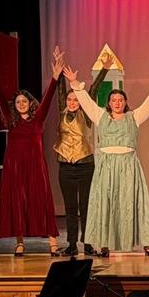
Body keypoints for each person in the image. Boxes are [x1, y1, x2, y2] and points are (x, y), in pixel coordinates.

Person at [64, 65, 149, 257]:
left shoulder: (134, 117)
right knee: (106, 203)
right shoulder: (100, 116)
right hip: (107, 166)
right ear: (109, 103)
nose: (117, 103)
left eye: (120, 100)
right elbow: (86, 102)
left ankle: (146, 243)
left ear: (125, 102)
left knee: (134, 203)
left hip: (128, 166)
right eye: (113, 100)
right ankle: (104, 243)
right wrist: (74, 82)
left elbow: (148, 104)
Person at [0, 53, 63, 256]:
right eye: (18, 102)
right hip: (14, 167)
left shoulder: (38, 118)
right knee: (18, 202)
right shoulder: (11, 119)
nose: (21, 104)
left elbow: (47, 99)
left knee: (42, 200)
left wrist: (55, 77)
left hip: (35, 166)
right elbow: (1, 100)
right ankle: (19, 242)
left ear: (31, 103)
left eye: (24, 101)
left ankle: (52, 243)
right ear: (14, 105)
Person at [53, 47, 110, 256]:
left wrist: (104, 69)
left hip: (85, 165)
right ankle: (71, 244)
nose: (72, 103)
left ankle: (87, 244)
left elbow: (92, 90)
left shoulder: (86, 113)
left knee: (86, 207)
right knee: (70, 208)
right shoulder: (62, 111)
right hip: (65, 166)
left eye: (75, 100)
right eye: (70, 100)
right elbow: (60, 90)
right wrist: (59, 68)